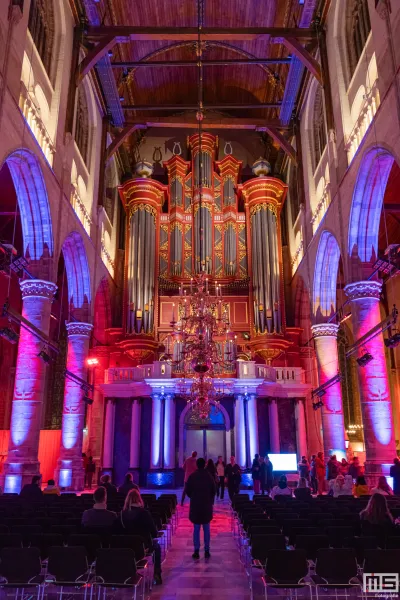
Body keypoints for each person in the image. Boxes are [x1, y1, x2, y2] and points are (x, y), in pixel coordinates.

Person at [120, 488, 162, 585]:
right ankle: (157, 573)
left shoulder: (122, 514)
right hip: (142, 548)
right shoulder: (144, 513)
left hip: (126, 547)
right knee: (157, 547)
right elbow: (154, 532)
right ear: (139, 499)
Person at [185, 457, 216, 559]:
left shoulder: (192, 476)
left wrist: (194, 498)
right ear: (205, 465)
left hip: (196, 506)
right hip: (206, 506)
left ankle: (196, 550)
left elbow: (188, 491)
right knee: (207, 529)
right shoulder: (209, 476)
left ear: (197, 465)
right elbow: (213, 490)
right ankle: (207, 550)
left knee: (196, 528)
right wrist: (209, 500)